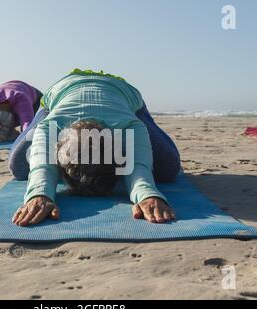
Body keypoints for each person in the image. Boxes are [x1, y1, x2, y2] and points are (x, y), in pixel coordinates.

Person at [9, 69, 181, 227]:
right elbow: (42, 162)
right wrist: (39, 194)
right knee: (20, 166)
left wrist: (147, 194)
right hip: (62, 91)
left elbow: (138, 164)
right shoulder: (52, 124)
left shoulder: (129, 124)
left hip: (121, 91)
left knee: (167, 167)